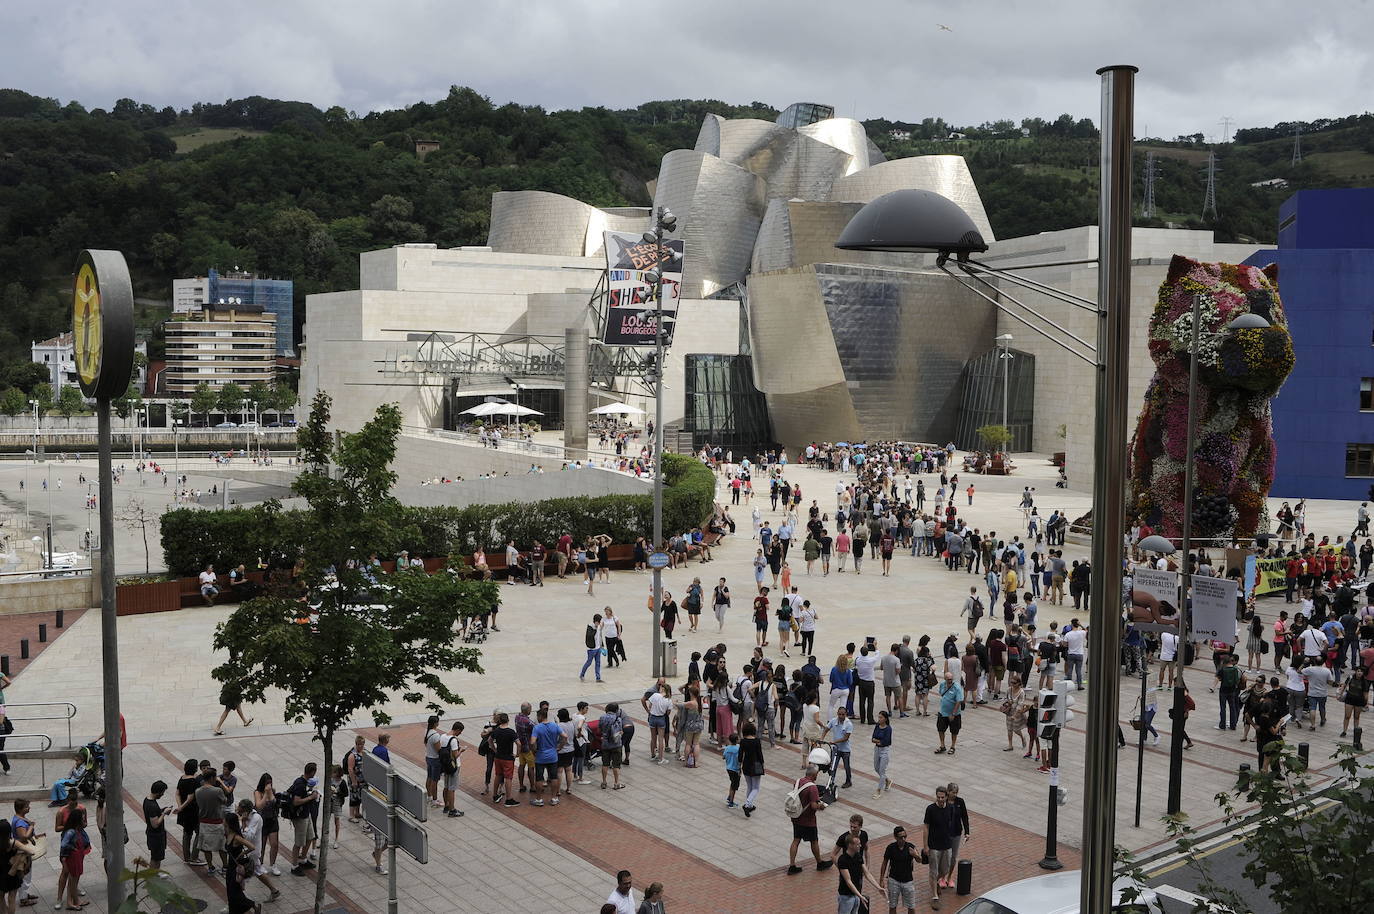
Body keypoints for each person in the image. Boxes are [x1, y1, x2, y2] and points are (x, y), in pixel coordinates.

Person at [785, 763, 833, 874]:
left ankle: (792, 866)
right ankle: (819, 863)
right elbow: (813, 806)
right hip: (808, 820)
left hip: (796, 816)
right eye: (817, 774)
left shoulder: (798, 781)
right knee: (814, 841)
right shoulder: (812, 787)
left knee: (796, 840)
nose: (817, 776)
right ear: (814, 774)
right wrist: (821, 806)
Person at [923, 786, 958, 910]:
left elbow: (950, 824)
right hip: (934, 846)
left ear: (946, 797)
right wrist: (925, 845)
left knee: (945, 869)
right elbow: (926, 827)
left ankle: (936, 882)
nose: (940, 799)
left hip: (947, 844)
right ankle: (935, 897)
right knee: (933, 871)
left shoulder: (950, 808)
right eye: (938, 797)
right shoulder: (930, 809)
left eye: (942, 797)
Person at [835, 831, 879, 914]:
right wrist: (860, 896)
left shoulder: (858, 856)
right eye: (858, 844)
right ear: (850, 845)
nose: (860, 846)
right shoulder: (843, 860)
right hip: (846, 896)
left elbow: (867, 873)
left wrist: (878, 887)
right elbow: (848, 881)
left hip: (856, 895)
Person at [880, 824, 920, 914]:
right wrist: (881, 879)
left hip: (908, 881)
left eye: (905, 836)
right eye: (901, 837)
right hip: (893, 880)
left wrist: (915, 855)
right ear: (895, 837)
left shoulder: (910, 847)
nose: (903, 839)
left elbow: (919, 860)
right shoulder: (890, 848)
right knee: (892, 906)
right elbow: (884, 863)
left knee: (911, 906)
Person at [528, 709, 564, 807]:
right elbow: (565, 736)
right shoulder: (554, 725)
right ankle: (554, 798)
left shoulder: (537, 728)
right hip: (553, 756)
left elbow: (532, 742)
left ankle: (539, 799)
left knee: (539, 778)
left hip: (540, 757)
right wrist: (560, 747)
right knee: (553, 777)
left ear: (540, 716)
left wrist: (534, 750)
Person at [252, 774, 283, 876]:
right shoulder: (257, 792)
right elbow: (259, 806)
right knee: (262, 845)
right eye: (267, 783)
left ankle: (273, 864)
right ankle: (260, 864)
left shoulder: (272, 791)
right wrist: (266, 793)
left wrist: (270, 793)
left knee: (274, 844)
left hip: (272, 820)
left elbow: (275, 802)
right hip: (262, 821)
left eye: (270, 782)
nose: (269, 785)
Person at [487, 712, 520, 807]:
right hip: (508, 758)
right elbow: (519, 743)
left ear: (499, 721)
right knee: (508, 778)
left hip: (498, 757)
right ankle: (509, 799)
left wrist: (494, 749)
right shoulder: (511, 732)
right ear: (508, 720)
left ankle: (495, 795)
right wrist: (517, 754)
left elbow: (489, 740)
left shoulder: (496, 731)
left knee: (498, 775)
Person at [738, 722, 766, 816]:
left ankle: (750, 805)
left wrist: (739, 766)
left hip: (746, 766)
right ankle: (747, 804)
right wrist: (762, 764)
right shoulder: (757, 741)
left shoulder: (742, 741)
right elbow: (760, 754)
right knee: (756, 788)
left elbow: (740, 756)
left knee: (749, 786)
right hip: (756, 766)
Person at [933, 670, 964, 755]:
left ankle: (953, 746)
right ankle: (942, 746)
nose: (950, 681)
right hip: (943, 712)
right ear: (945, 679)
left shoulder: (957, 687)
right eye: (948, 679)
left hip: (953, 714)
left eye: (951, 679)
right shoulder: (942, 684)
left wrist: (953, 713)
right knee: (940, 729)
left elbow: (958, 701)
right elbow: (941, 693)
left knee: (954, 731)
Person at [598, 703, 626, 791]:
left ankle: (604, 782)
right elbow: (621, 731)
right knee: (616, 765)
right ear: (616, 710)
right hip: (616, 744)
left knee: (605, 764)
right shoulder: (618, 719)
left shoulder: (602, 718)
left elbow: (599, 730)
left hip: (605, 744)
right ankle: (616, 783)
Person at [825, 706, 854, 789]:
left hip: (845, 750)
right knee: (833, 765)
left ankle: (848, 781)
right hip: (836, 748)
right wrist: (822, 738)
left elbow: (846, 738)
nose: (841, 716)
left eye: (843, 714)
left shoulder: (849, 724)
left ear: (846, 714)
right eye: (839, 714)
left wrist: (835, 742)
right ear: (837, 714)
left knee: (846, 766)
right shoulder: (833, 721)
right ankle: (831, 780)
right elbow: (826, 728)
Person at [442, 720, 466, 816]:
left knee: (446, 786)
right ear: (457, 730)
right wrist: (461, 750)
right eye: (460, 731)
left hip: (445, 765)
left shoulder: (443, 736)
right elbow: (455, 755)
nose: (460, 733)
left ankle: (446, 806)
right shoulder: (454, 740)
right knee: (452, 788)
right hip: (453, 766)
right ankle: (452, 810)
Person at [871, 710, 893, 800]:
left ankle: (879, 790)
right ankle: (887, 780)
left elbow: (886, 741)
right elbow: (873, 738)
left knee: (882, 771)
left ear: (885, 718)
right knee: (876, 768)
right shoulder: (877, 726)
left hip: (885, 750)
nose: (879, 719)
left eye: (881, 717)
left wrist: (878, 741)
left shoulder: (888, 729)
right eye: (878, 717)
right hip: (877, 749)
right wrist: (878, 741)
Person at [722, 733, 742, 808]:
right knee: (734, 786)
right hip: (735, 769)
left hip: (728, 768)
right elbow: (740, 759)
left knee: (732, 783)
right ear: (736, 740)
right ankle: (731, 802)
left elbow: (723, 757)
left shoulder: (727, 748)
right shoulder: (738, 748)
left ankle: (729, 796)